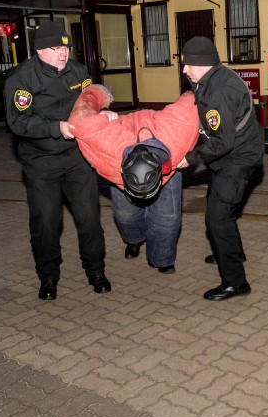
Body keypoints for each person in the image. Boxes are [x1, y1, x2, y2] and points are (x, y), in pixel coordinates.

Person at [4, 19, 108, 300]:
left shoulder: (79, 71)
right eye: (55, 48)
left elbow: (90, 101)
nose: (63, 52)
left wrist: (102, 112)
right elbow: (18, 121)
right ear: (39, 50)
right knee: (47, 222)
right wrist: (55, 128)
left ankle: (95, 270)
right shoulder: (22, 79)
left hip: (77, 159)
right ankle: (48, 277)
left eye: (66, 47)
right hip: (41, 162)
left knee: (89, 218)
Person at [67, 84, 199, 274]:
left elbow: (192, 99)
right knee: (125, 215)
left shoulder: (175, 142)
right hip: (119, 153)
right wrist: (101, 95)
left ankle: (162, 257)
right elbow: (81, 116)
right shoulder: (107, 157)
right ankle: (134, 239)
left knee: (168, 218)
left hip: (164, 162)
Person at [179, 36, 263, 301]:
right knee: (221, 209)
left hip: (236, 160)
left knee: (217, 218)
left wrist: (191, 158)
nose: (185, 70)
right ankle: (231, 253)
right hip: (233, 156)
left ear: (203, 64)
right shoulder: (215, 77)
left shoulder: (218, 91)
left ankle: (235, 282)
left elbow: (222, 142)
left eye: (188, 65)